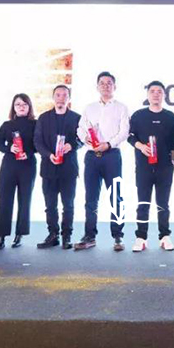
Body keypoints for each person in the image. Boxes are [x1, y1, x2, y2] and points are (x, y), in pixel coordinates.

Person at [75, 72, 130, 252]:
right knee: (91, 198)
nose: (106, 86)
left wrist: (108, 144)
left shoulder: (121, 108)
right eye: (102, 83)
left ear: (115, 86)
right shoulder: (89, 108)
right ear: (97, 86)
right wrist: (85, 138)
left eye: (109, 83)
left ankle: (118, 235)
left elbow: (124, 132)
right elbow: (80, 128)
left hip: (112, 155)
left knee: (116, 197)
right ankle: (89, 236)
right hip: (92, 156)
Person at [128, 81, 174, 252]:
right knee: (143, 203)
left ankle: (164, 236)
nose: (156, 94)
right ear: (147, 94)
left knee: (163, 203)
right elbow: (130, 137)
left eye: (159, 91)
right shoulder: (138, 115)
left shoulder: (170, 116)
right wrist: (141, 147)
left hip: (165, 167)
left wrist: (173, 160)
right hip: (144, 167)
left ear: (164, 95)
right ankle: (141, 237)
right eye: (152, 91)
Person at [33, 85, 81, 250]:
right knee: (50, 205)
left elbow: (82, 139)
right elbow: (37, 141)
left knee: (68, 204)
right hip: (49, 167)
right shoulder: (43, 118)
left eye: (64, 95)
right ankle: (53, 234)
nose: (61, 98)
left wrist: (72, 145)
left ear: (69, 98)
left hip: (68, 168)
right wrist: (48, 154)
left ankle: (67, 236)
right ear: (53, 97)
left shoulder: (77, 118)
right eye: (58, 95)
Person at [0, 93, 37, 249]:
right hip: (9, 165)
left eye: (24, 104)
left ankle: (20, 233)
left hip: (28, 165)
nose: (21, 107)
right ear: (13, 107)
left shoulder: (36, 124)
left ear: (29, 107)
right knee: (5, 199)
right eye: (18, 104)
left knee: (25, 200)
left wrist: (29, 152)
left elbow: (39, 144)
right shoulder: (7, 125)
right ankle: (1, 234)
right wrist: (9, 148)